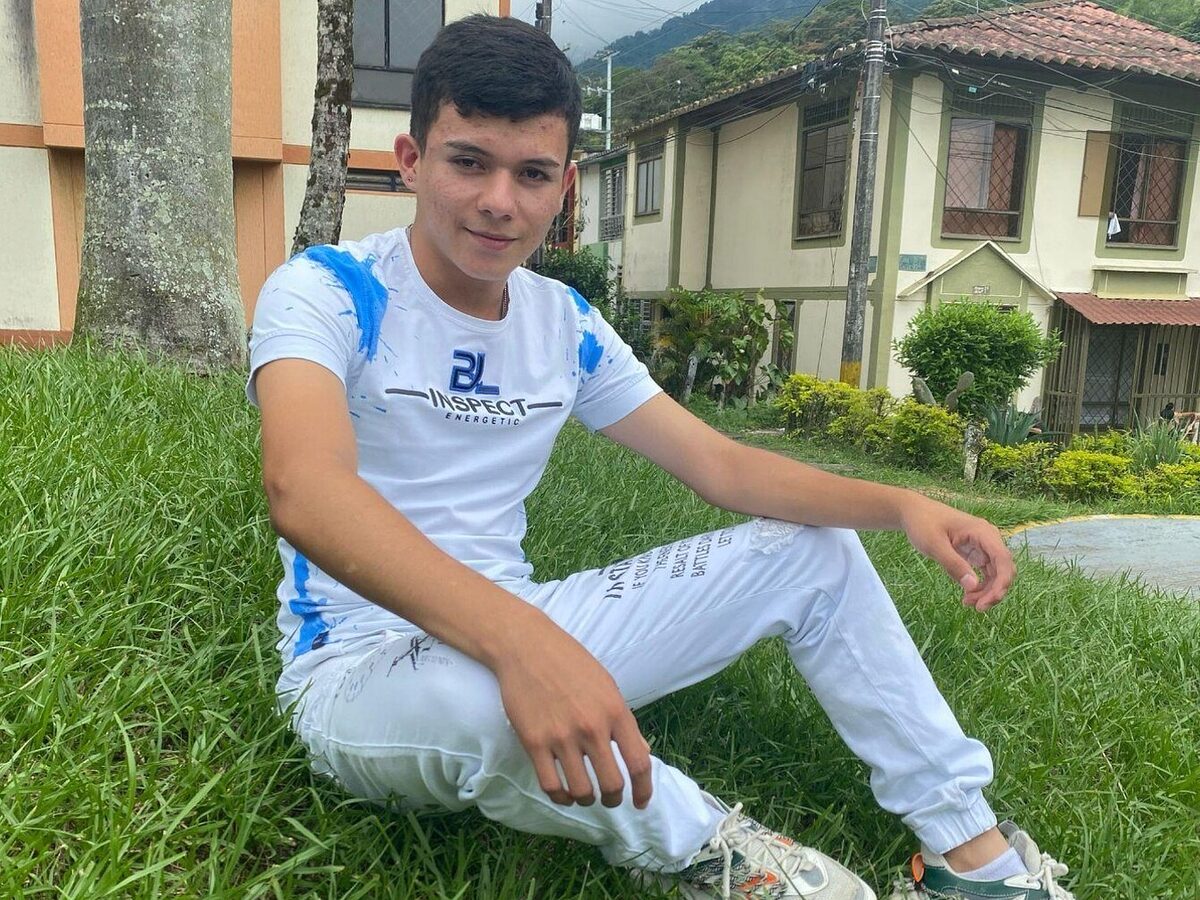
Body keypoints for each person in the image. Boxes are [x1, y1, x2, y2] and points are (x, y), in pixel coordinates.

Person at [247, 15, 1075, 900]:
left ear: (565, 187)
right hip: (364, 666)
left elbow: (722, 467)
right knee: (480, 705)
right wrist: (520, 645)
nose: (500, 201)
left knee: (812, 551)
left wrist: (903, 504)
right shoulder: (328, 290)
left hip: (526, 625)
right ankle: (738, 862)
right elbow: (307, 488)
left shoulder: (562, 323)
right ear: (412, 161)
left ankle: (972, 855)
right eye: (469, 162)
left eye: (532, 174)